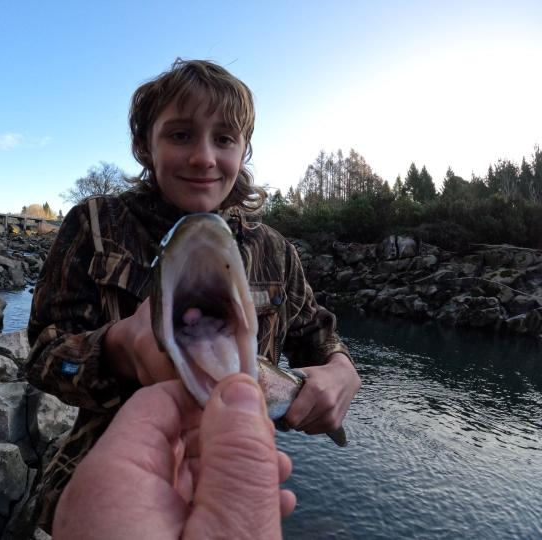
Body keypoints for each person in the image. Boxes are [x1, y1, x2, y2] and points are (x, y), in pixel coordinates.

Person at [24, 58, 361, 532]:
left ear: (243, 150)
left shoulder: (277, 252)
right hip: (97, 498)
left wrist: (342, 373)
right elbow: (42, 357)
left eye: (224, 139)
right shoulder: (95, 225)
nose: (204, 157)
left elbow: (320, 339)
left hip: (236, 488)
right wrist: (119, 348)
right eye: (180, 135)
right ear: (145, 144)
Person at [52, 374, 293, 539]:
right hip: (81, 497)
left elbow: (314, 332)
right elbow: (42, 358)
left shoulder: (294, 296)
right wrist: (119, 344)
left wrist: (333, 362)